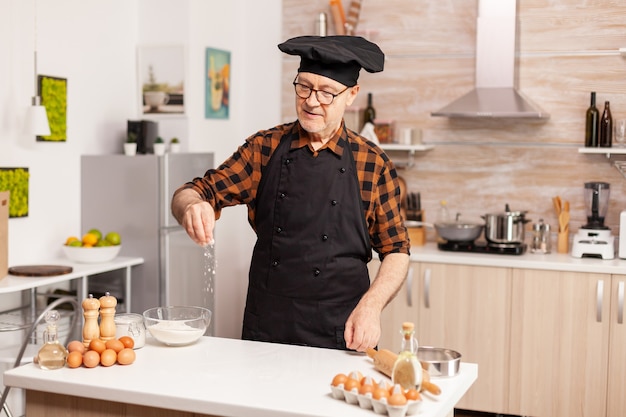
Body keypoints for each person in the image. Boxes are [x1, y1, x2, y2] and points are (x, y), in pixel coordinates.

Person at [171, 35, 410, 352]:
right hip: (268, 328)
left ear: (351, 95)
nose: (311, 101)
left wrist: (372, 306)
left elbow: (397, 250)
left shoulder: (373, 163)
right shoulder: (264, 148)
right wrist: (191, 206)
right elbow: (190, 192)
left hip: (344, 328)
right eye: (304, 87)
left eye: (326, 93)